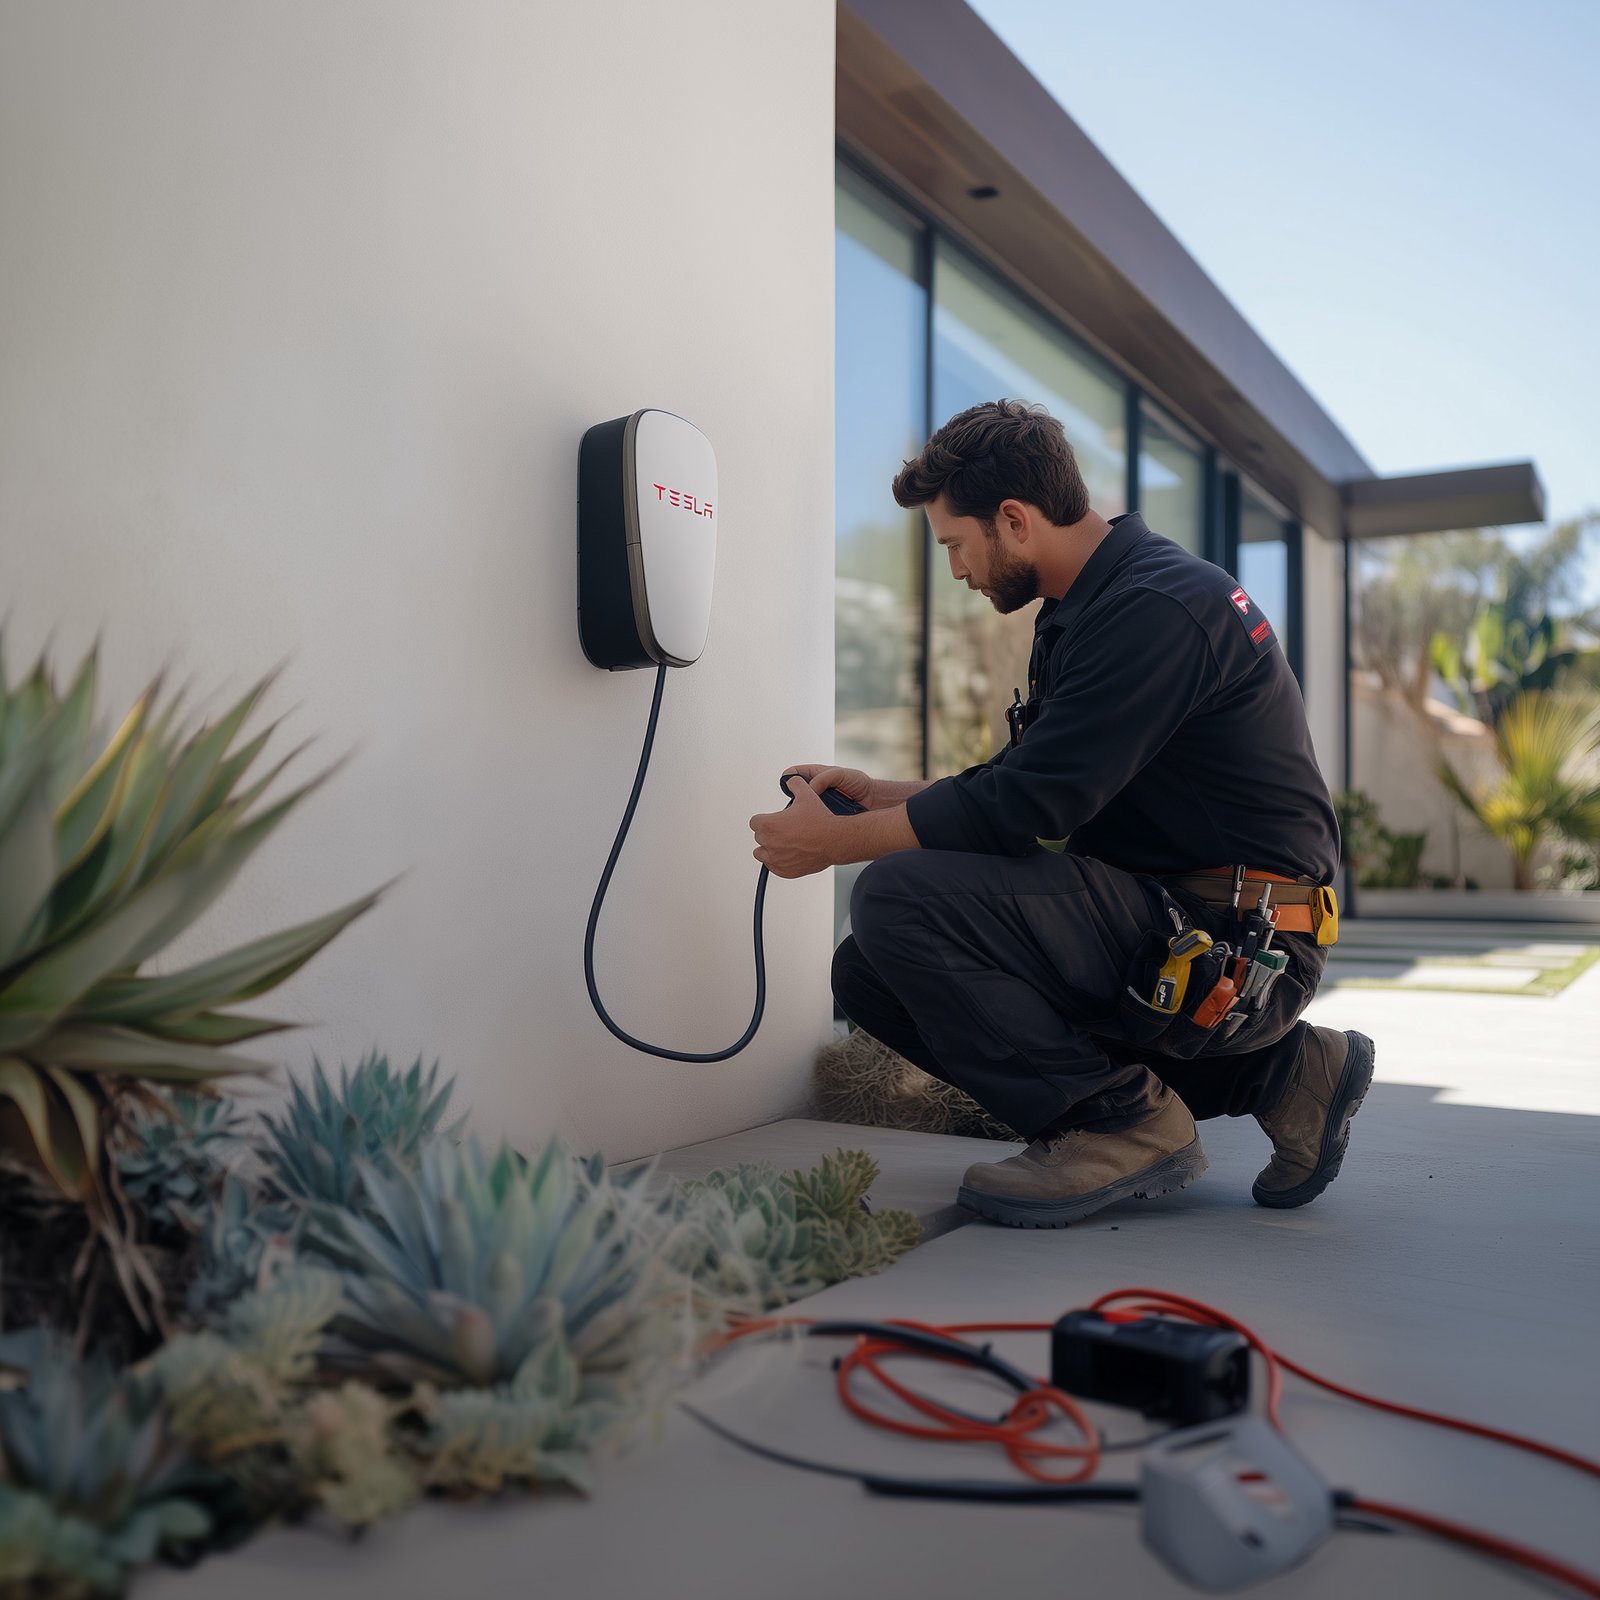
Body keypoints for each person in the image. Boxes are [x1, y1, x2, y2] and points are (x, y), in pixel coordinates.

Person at [748, 398, 1374, 1228]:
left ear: (1013, 520)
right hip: (1176, 916)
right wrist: (879, 794)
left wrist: (837, 845)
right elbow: (1029, 779)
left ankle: (1117, 1121)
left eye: (954, 545)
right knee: (870, 972)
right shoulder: (1096, 606)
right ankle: (1288, 1078)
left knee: (897, 897)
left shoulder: (1159, 608)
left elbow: (1030, 809)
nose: (958, 571)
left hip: (1238, 936)